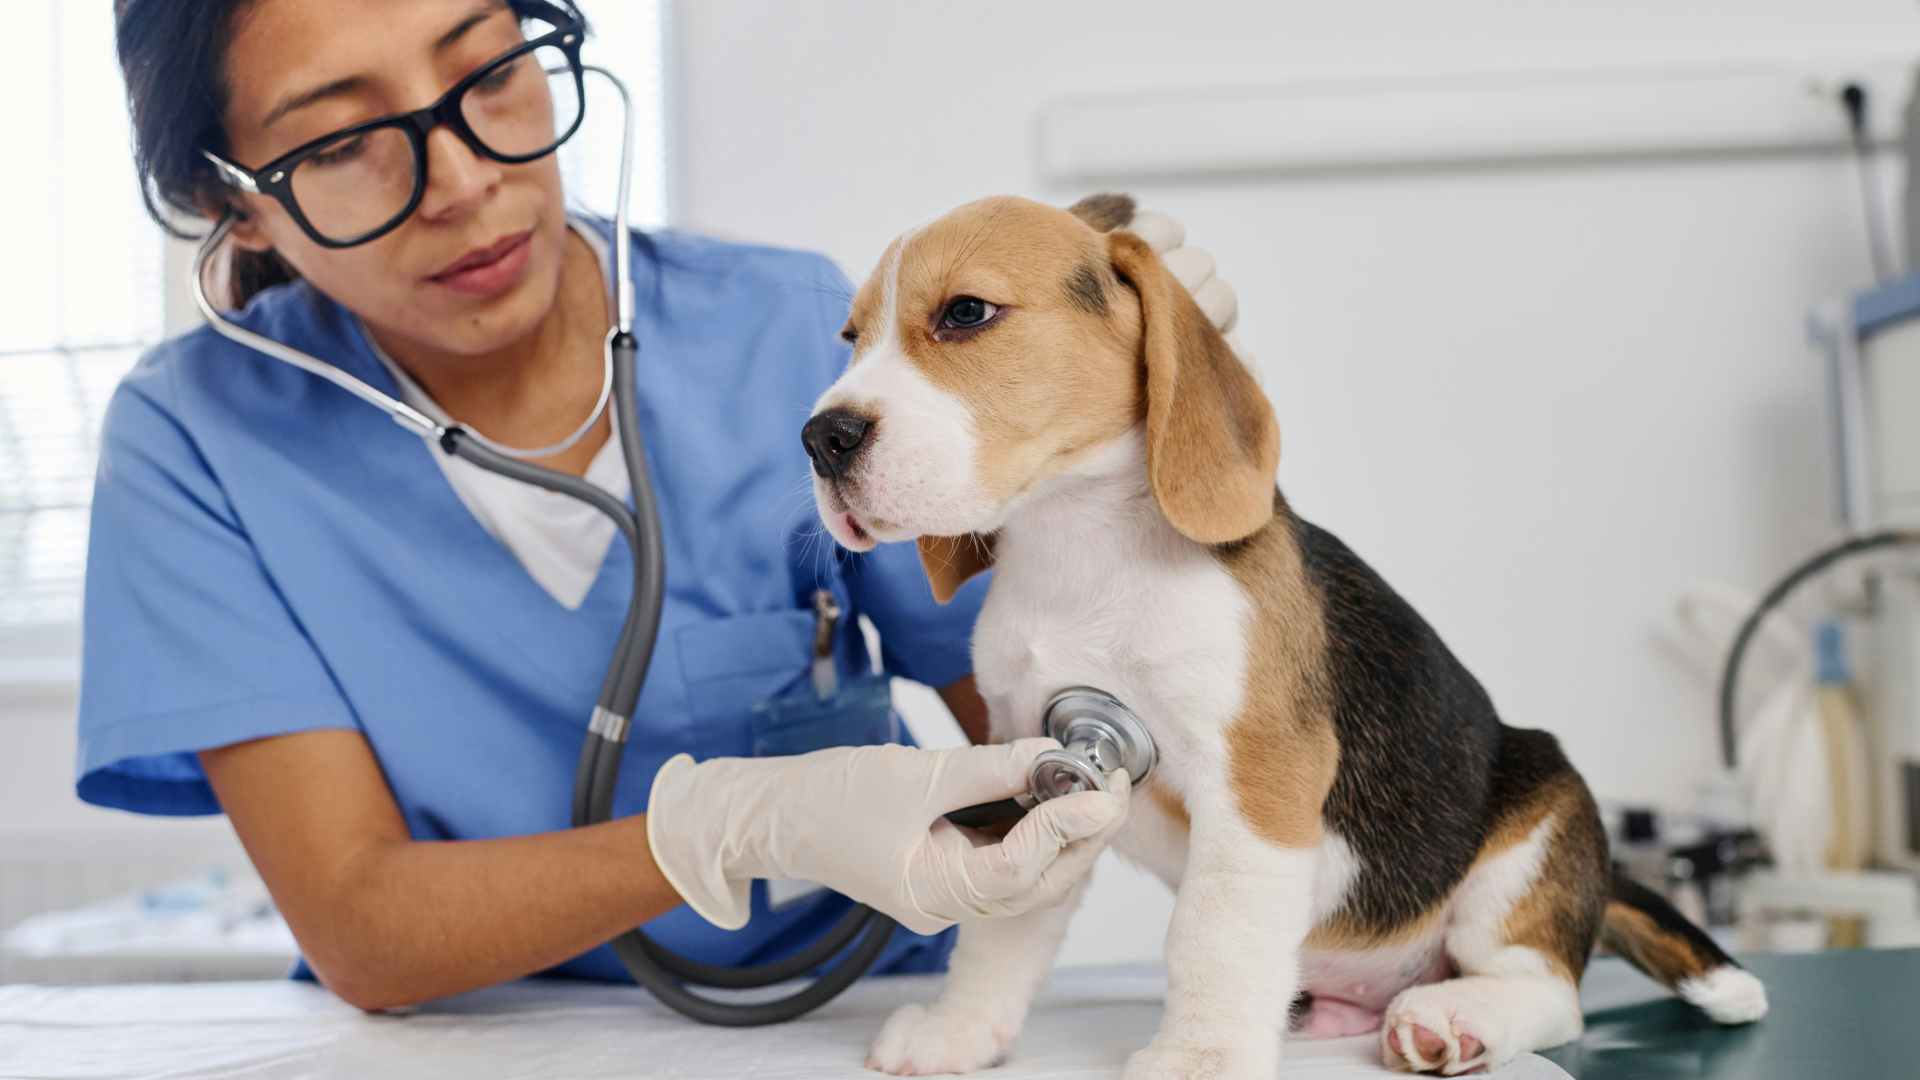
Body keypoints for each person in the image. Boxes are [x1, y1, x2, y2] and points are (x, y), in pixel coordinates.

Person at [86, 0, 1236, 1011]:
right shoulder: (194, 438)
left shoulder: (793, 333)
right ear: (228, 205)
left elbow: (1051, 728)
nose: (467, 182)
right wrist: (728, 827)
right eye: (342, 141)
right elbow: (360, 925)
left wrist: (1132, 439)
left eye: (489, 76)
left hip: (854, 1026)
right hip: (456, 1047)